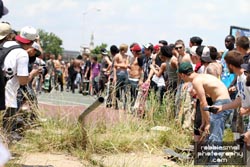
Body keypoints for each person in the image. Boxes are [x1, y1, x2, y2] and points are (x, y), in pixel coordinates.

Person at [177, 62, 232, 142]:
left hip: (222, 103)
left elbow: (204, 103)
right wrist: (204, 122)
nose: (181, 79)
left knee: (214, 138)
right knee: (210, 137)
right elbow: (202, 105)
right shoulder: (201, 77)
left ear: (183, 75)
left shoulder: (196, 81)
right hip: (223, 102)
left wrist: (208, 122)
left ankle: (214, 154)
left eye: (180, 76)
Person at [3, 26, 40, 141]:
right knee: (7, 134)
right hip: (8, 95)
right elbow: (23, 80)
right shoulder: (22, 54)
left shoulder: (6, 44)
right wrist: (33, 74)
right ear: (32, 42)